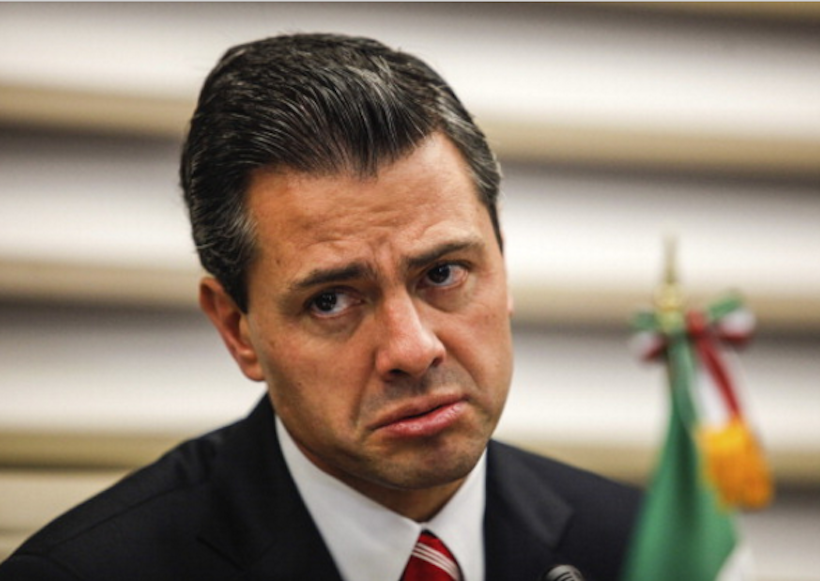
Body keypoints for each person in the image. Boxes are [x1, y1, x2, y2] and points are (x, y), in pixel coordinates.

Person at [0, 33, 640, 580]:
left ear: (502, 261)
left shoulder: (641, 547)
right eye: (331, 300)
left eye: (443, 273)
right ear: (237, 329)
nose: (414, 350)